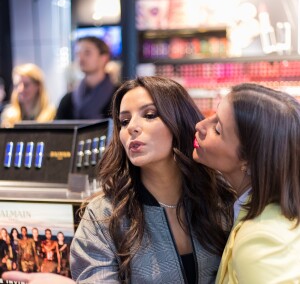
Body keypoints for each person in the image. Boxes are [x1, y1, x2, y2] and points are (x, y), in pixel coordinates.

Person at [3, 76, 234, 283]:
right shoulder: (104, 216)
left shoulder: (222, 198)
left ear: (179, 120)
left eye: (150, 115)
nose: (132, 127)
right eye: (123, 121)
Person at [193, 83, 300, 283]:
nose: (200, 125)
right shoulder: (256, 209)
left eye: (217, 129)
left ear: (249, 160)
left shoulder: (262, 240)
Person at [55, 36, 117, 120]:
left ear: (104, 58)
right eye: (77, 54)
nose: (81, 58)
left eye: (87, 53)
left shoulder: (119, 96)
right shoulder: (68, 100)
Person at [1, 63, 56, 128]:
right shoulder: (7, 116)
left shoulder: (52, 115)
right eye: (17, 85)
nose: (20, 89)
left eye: (26, 85)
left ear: (38, 86)